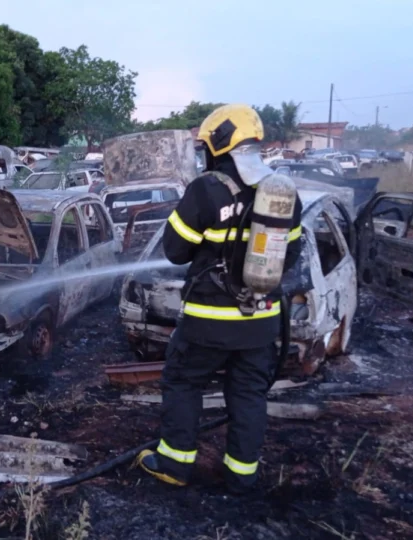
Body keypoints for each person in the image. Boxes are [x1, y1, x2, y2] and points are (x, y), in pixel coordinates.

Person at [137, 104, 304, 494]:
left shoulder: (207, 190)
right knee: (248, 393)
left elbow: (176, 251)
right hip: (261, 320)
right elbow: (290, 256)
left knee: (182, 382)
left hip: (207, 321)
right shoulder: (282, 193)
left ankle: (175, 464)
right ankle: (242, 476)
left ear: (218, 145)